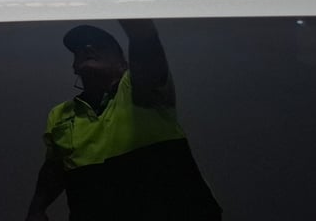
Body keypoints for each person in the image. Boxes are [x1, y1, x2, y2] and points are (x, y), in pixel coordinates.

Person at [25, 20, 221, 221]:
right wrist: (37, 209)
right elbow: (55, 168)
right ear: (75, 67)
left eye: (101, 46)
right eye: (79, 50)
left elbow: (143, 38)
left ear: (124, 64)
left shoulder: (140, 89)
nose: (88, 48)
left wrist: (130, 11)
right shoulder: (60, 114)